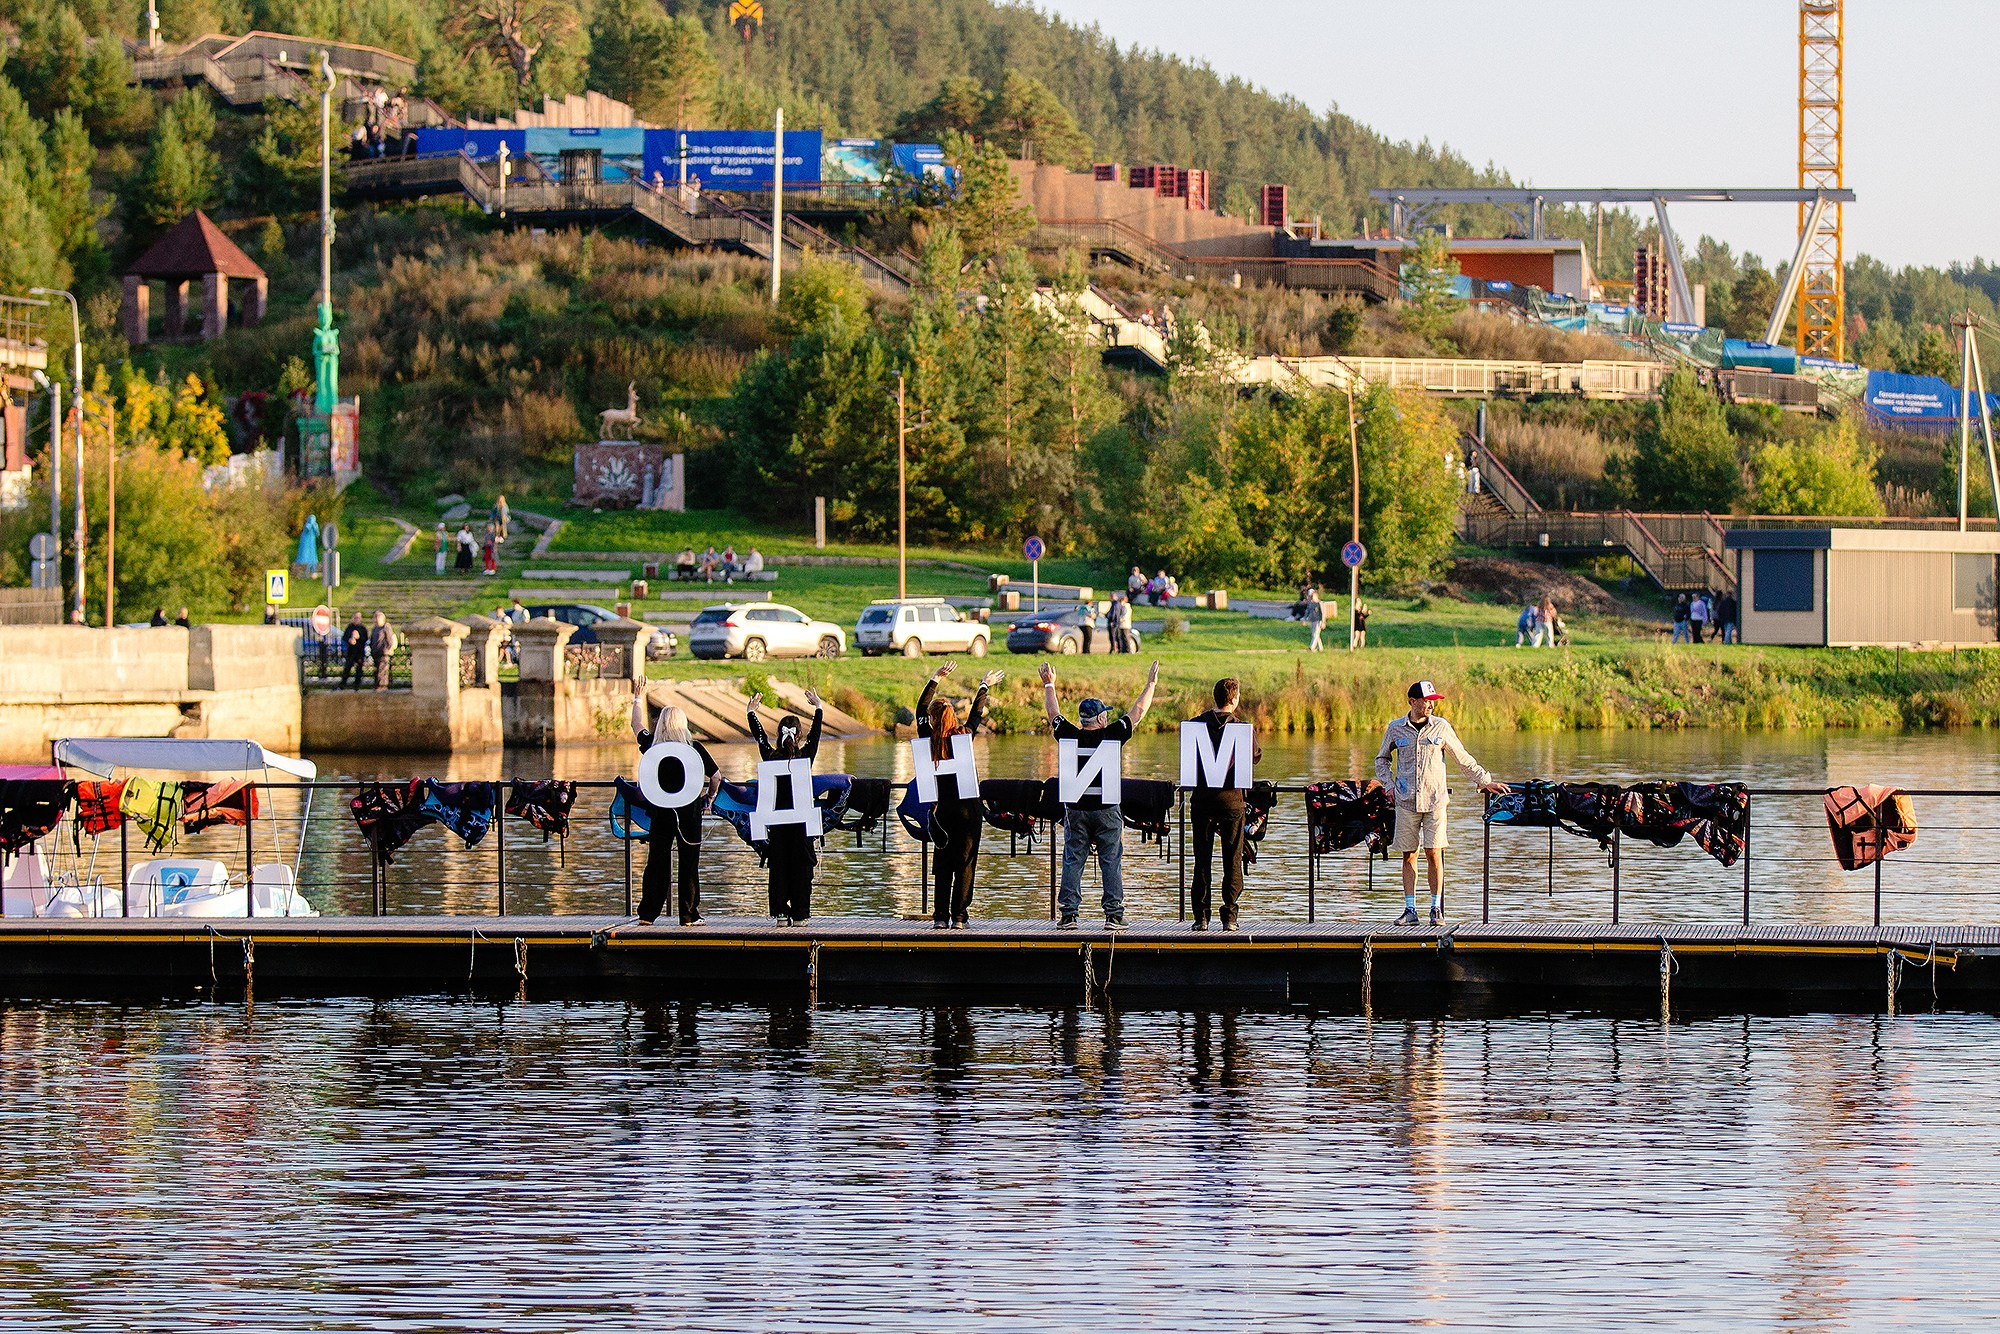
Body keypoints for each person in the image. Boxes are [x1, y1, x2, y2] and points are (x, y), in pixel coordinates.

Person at [1375, 680, 1509, 928]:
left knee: (1434, 853)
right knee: (1409, 854)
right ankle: (1410, 909)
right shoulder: (1395, 729)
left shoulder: (1441, 728)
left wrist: (1486, 781)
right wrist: (1389, 785)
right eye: (1426, 701)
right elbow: (1381, 760)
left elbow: (1463, 758)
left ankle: (1436, 908)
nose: (1430, 706)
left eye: (1433, 701)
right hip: (1406, 801)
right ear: (1412, 702)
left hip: (1436, 800)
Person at [1042, 657, 1159, 929]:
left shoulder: (1068, 734)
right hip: (1107, 810)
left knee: (1073, 859)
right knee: (1111, 861)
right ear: (1102, 718)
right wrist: (1150, 683)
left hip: (1076, 809)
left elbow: (1052, 715)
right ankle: (1114, 915)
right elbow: (1138, 711)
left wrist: (1049, 684)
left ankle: (1069, 915)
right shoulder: (1113, 734)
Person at [916, 661, 1002, 928]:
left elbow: (920, 709)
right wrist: (983, 686)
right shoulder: (963, 736)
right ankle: (960, 918)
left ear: (931, 720)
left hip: (941, 811)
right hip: (968, 811)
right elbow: (976, 716)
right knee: (965, 864)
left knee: (942, 864)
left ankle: (940, 917)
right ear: (953, 718)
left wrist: (935, 678)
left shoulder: (927, 739)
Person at [631, 679, 720, 926]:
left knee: (657, 862)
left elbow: (636, 724)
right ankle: (688, 915)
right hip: (689, 813)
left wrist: (638, 697)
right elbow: (716, 776)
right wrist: (709, 799)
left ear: (660, 724)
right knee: (689, 864)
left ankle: (648, 914)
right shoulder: (694, 748)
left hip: (660, 813)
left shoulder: (653, 745)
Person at [1188, 677, 1261, 931]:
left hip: (1202, 801)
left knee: (1201, 859)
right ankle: (1230, 916)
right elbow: (1255, 756)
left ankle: (1201, 917)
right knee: (1232, 859)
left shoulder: (1196, 725)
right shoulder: (1242, 729)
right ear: (1235, 699)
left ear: (1215, 698)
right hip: (1232, 802)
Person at [748, 691, 824, 926]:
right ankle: (801, 914)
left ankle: (781, 914)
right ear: (799, 735)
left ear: (779, 735)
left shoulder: (771, 756)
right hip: (802, 824)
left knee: (779, 866)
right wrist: (818, 708)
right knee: (802, 867)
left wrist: (752, 712)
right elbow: (816, 736)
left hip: (778, 823)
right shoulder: (805, 757)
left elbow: (759, 738)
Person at [369, 612, 397, 691]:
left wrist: (386, 649)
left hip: (383, 653)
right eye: (376, 617)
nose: (377, 619)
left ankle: (382, 686)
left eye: (379, 617)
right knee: (377, 670)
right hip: (376, 652)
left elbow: (389, 640)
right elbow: (372, 640)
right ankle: (377, 685)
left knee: (383, 670)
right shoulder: (375, 628)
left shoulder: (386, 627)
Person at [340, 612, 368, 689]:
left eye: (358, 618)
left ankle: (357, 685)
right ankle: (343, 684)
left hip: (359, 652)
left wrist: (358, 637)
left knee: (359, 669)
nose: (356, 619)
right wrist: (349, 639)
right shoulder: (349, 627)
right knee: (347, 668)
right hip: (350, 652)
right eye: (355, 617)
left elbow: (365, 639)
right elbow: (344, 637)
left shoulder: (362, 628)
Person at [1305, 588, 1326, 652]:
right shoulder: (1311, 604)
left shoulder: (1320, 603)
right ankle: (1321, 648)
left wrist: (1323, 622)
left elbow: (1323, 613)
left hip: (1318, 621)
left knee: (1316, 634)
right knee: (1315, 635)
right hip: (1312, 621)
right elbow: (1307, 611)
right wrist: (1305, 619)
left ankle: (1312, 647)